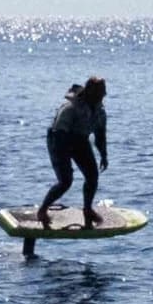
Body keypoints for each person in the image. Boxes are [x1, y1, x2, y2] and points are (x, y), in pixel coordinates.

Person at [36, 74, 109, 229]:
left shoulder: (99, 111)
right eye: (101, 93)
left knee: (92, 176)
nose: (104, 95)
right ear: (90, 92)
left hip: (80, 140)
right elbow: (59, 132)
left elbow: (100, 135)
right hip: (59, 139)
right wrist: (65, 158)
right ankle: (42, 210)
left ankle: (87, 209)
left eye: (104, 92)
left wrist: (103, 154)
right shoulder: (71, 108)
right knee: (66, 181)